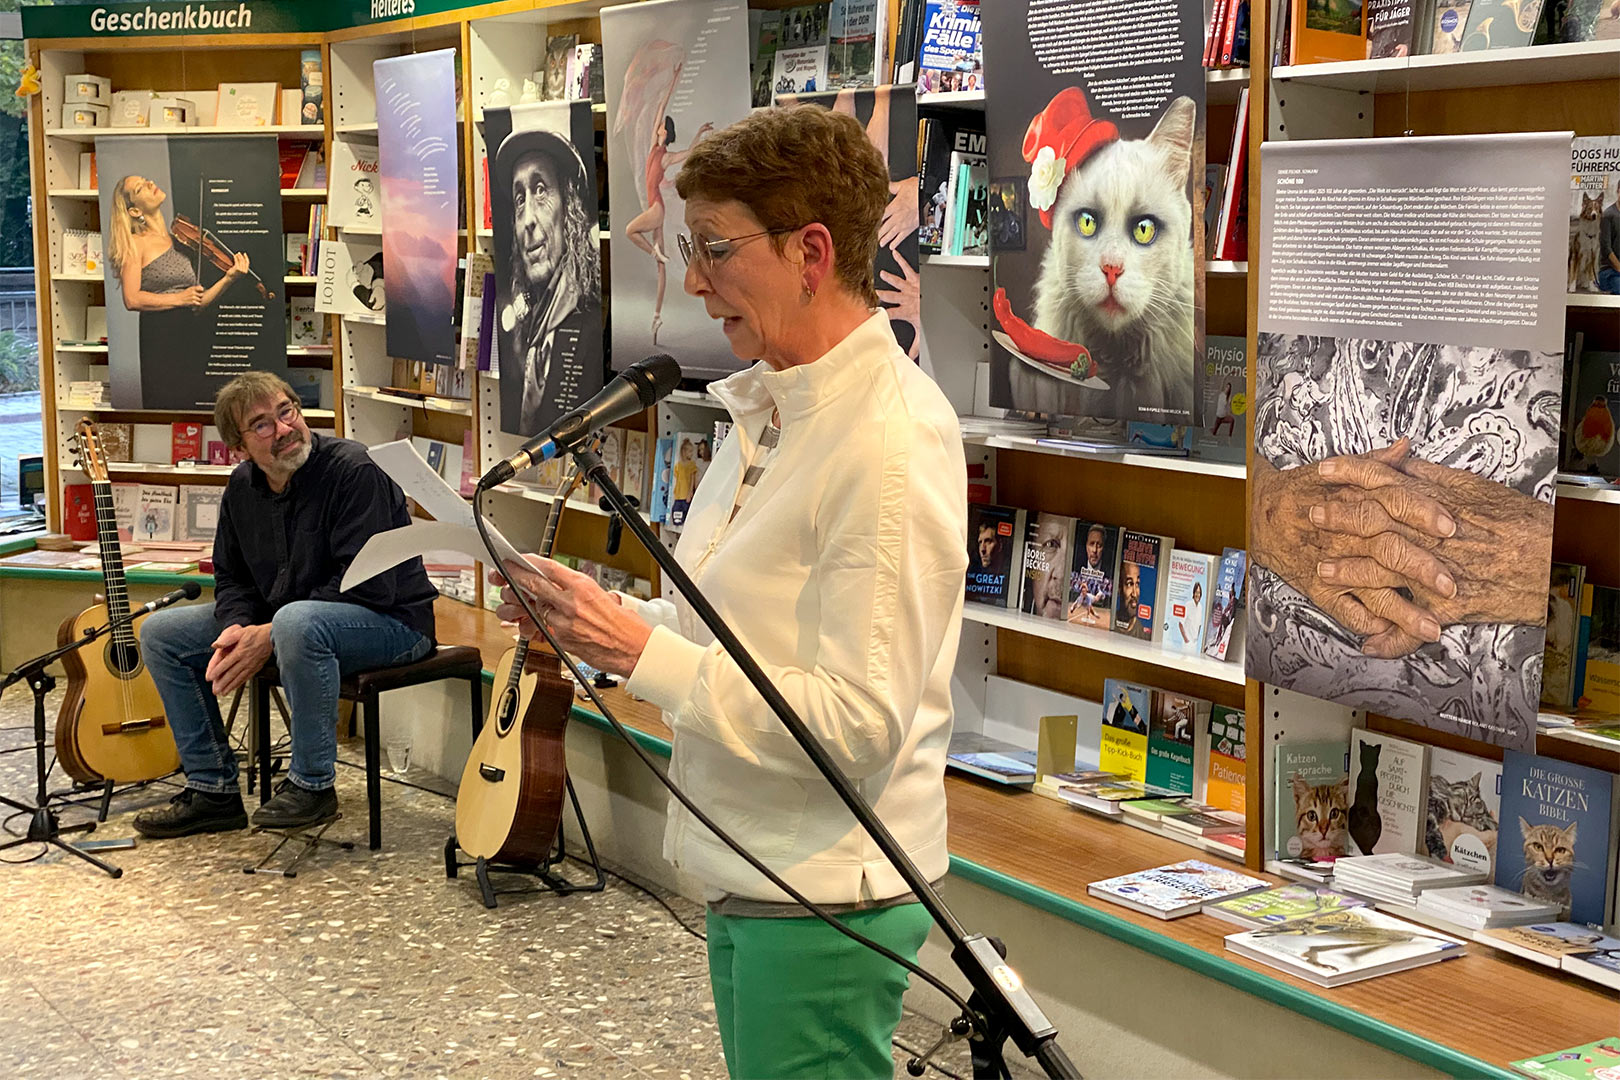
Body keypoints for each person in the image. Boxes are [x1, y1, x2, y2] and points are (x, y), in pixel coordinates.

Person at [492, 106, 966, 1080]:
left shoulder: (887, 439)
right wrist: (608, 620)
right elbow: (730, 626)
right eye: (687, 247)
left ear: (811, 251)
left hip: (826, 889)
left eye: (713, 248)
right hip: (745, 864)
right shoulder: (764, 408)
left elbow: (858, 724)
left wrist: (639, 653)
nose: (695, 280)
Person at [132, 372, 439, 838]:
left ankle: (313, 785)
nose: (283, 429)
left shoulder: (355, 471)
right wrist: (237, 626)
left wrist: (270, 632)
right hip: (297, 621)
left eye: (286, 411)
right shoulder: (241, 487)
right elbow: (231, 575)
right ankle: (212, 789)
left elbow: (366, 586)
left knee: (297, 622)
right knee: (161, 634)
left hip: (392, 622)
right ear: (239, 447)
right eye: (261, 425)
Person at [492, 127, 602, 435]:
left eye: (541, 190)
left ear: (569, 209)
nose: (527, 219)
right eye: (519, 198)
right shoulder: (523, 329)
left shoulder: (592, 319)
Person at [621, 75, 713, 345]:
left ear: (666, 133)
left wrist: (698, 133)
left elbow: (690, 151)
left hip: (656, 208)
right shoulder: (653, 148)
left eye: (661, 126)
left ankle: (654, 251)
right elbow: (660, 108)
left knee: (630, 230)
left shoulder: (665, 156)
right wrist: (671, 80)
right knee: (660, 267)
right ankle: (658, 315)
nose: (658, 126)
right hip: (653, 206)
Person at [108, 174, 250, 313]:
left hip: (188, 329)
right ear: (135, 211)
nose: (150, 183)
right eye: (140, 188)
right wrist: (180, 298)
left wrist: (228, 279)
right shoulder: (136, 243)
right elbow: (132, 299)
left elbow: (196, 302)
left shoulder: (179, 242)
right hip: (160, 331)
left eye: (145, 180)